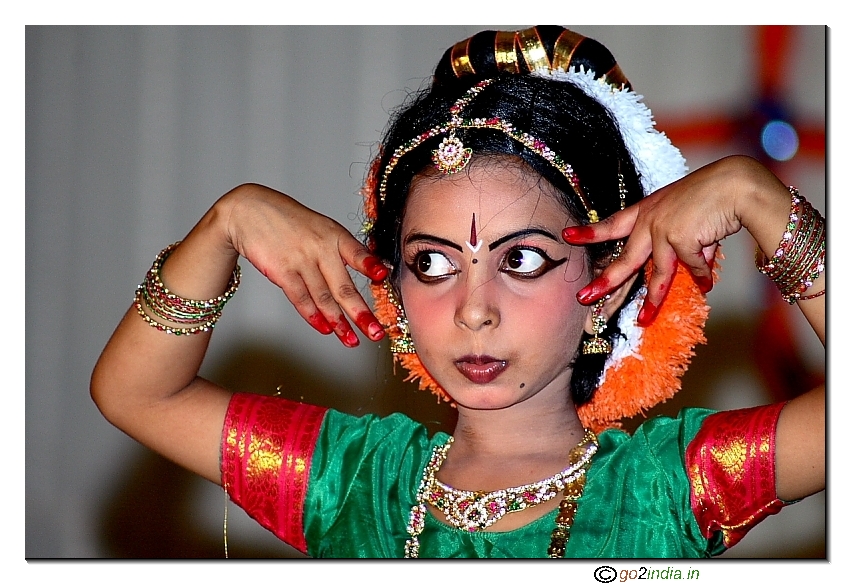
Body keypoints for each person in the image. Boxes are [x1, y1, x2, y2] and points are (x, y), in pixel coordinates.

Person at [90, 26, 825, 558]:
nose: (474, 309)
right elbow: (136, 394)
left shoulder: (663, 488)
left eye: (524, 260)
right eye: (433, 265)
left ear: (605, 288)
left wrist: (761, 202)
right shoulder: (356, 482)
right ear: (398, 295)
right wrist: (227, 221)